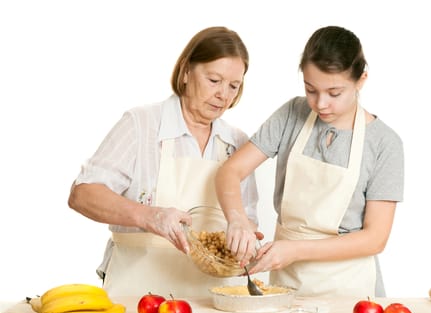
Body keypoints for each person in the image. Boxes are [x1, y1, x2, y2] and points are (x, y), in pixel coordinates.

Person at [68, 26, 258, 297]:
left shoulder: (237, 142)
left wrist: (246, 238)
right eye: (214, 80)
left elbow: (247, 219)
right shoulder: (140, 125)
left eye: (233, 86)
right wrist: (150, 216)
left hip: (214, 300)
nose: (223, 95)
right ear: (185, 72)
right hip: (138, 295)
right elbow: (82, 194)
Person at [215, 26, 404, 297]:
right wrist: (237, 219)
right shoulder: (293, 113)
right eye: (310, 89)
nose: (321, 103)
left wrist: (295, 250)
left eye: (334, 93)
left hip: (349, 291)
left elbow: (375, 238)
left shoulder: (385, 143)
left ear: (361, 80)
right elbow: (230, 171)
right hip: (286, 283)